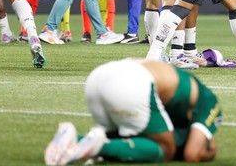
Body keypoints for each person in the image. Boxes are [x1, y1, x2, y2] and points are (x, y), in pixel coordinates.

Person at [44, 59, 221, 165]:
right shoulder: (209, 101)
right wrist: (209, 152)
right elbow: (192, 153)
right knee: (166, 149)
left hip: (99, 76)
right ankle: (98, 148)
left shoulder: (183, 89)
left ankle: (73, 141)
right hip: (134, 82)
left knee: (117, 136)